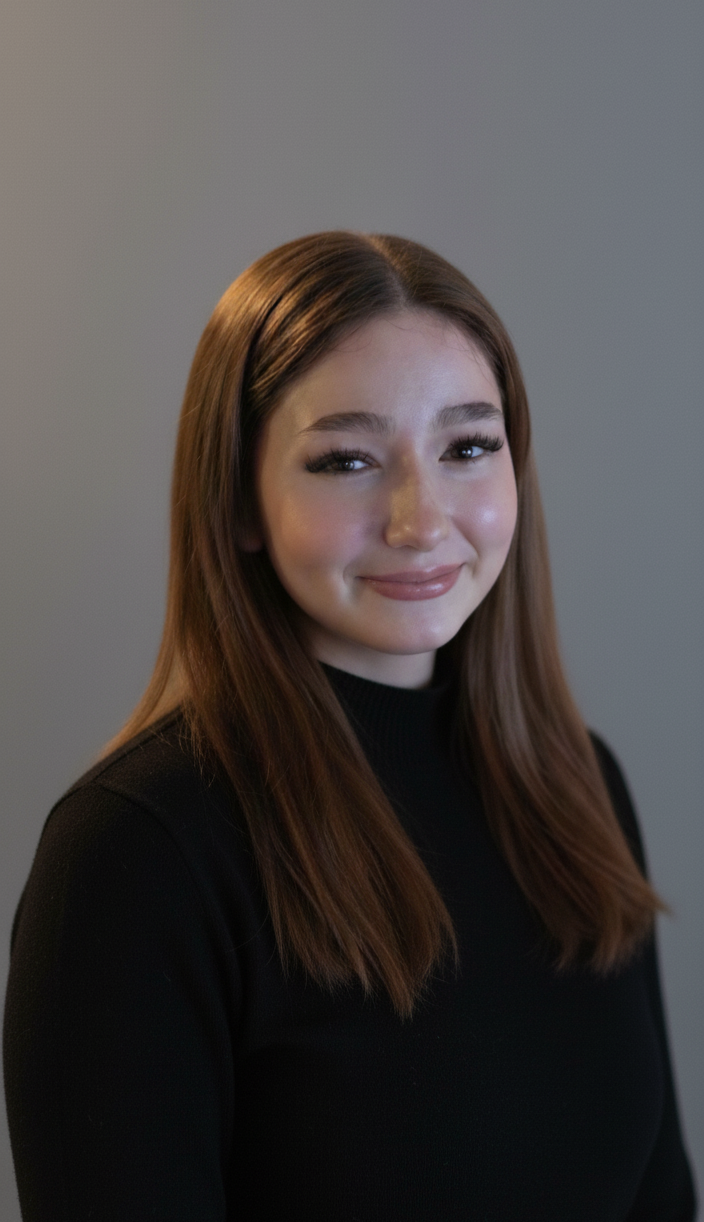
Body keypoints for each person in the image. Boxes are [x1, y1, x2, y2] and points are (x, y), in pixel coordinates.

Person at [3, 231, 696, 1221]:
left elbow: (657, 1197)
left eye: (466, 446)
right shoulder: (133, 853)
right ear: (240, 499)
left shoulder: (576, 783)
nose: (420, 519)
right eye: (345, 459)